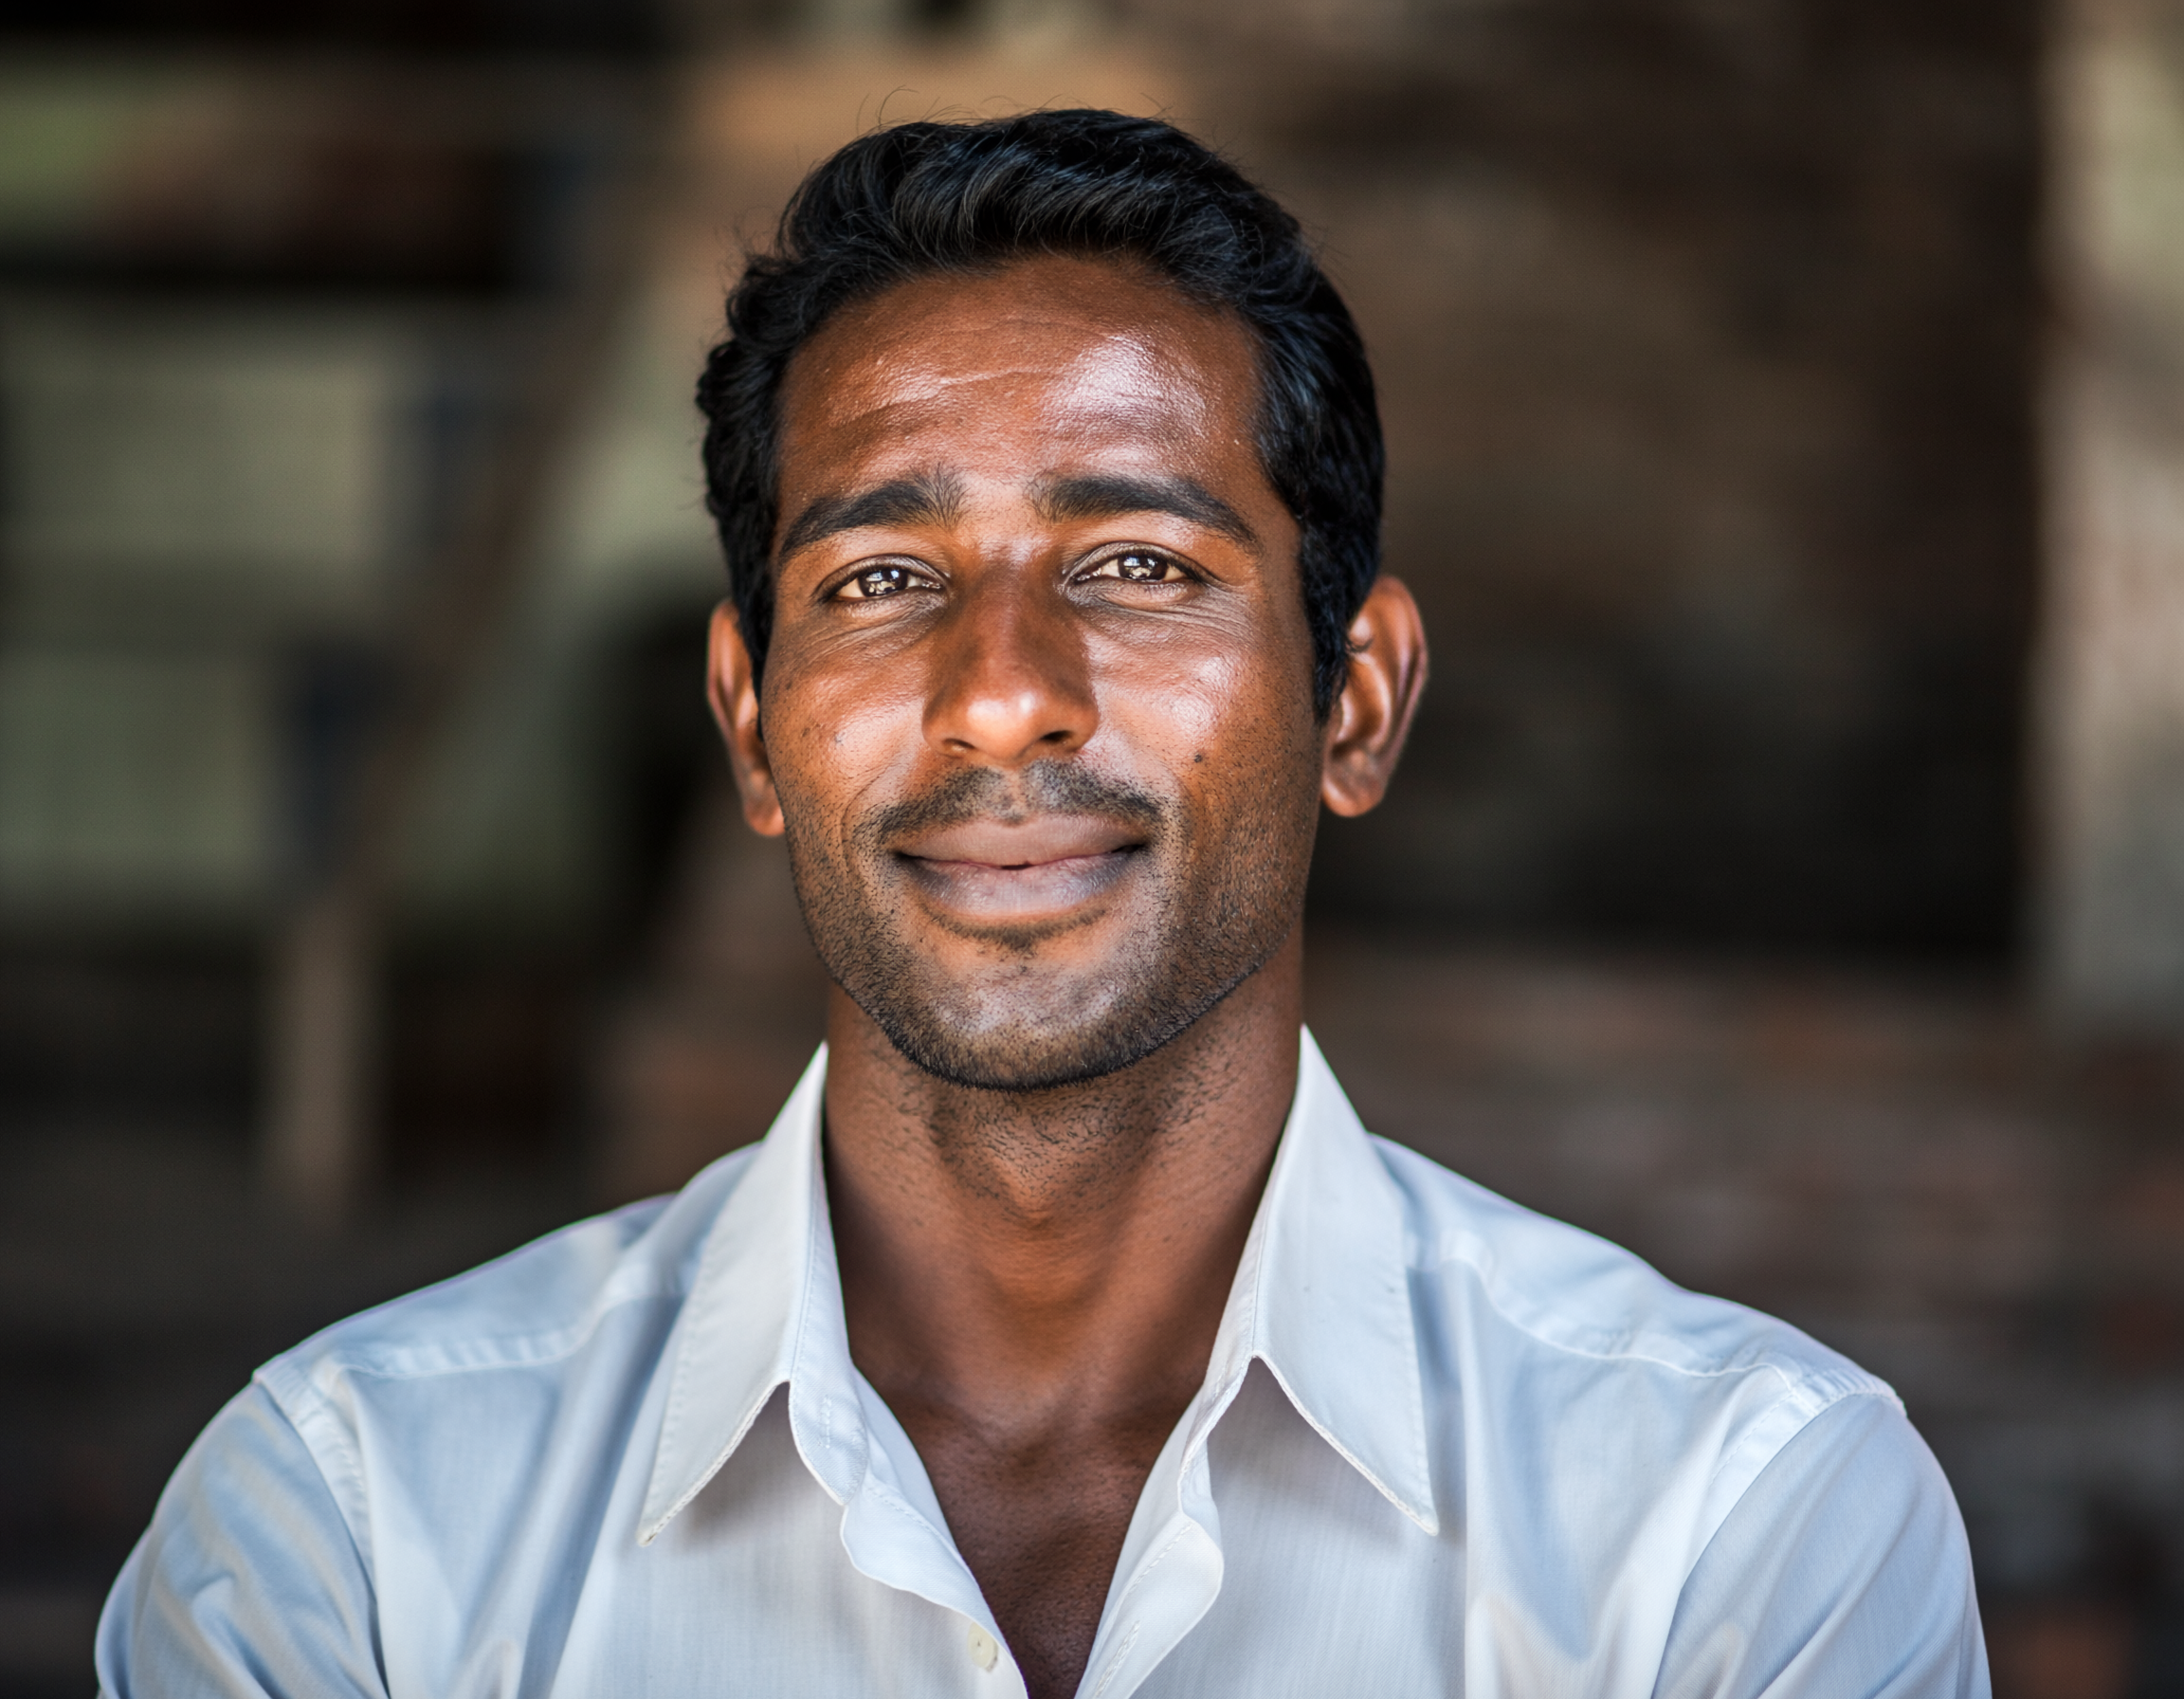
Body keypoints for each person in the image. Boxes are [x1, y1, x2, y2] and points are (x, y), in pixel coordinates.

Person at [97, 110, 1988, 1699]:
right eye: (880, 578)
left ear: (1357, 696)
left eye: (1141, 561)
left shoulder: (1736, 1531)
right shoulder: (350, 1537)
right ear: (752, 726)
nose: (1004, 687)